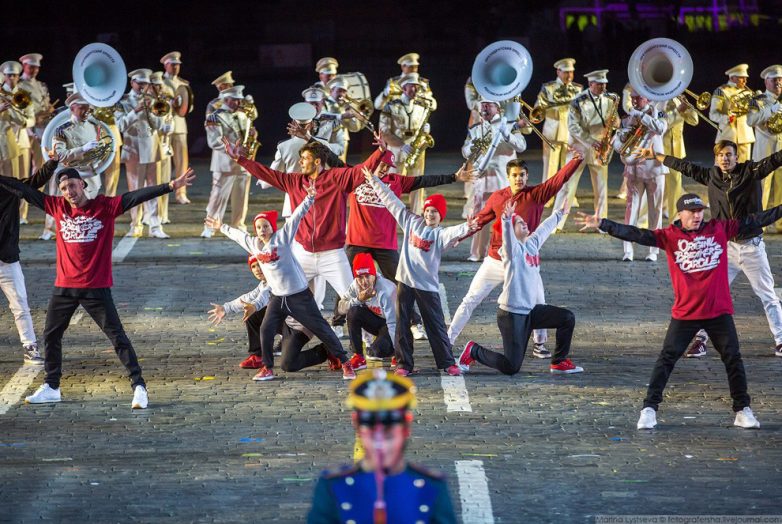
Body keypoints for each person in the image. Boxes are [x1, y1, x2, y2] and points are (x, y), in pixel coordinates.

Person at [576, 193, 782, 429]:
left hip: (718, 312)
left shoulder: (719, 228)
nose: (697, 216)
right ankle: (649, 409)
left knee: (733, 359)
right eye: (692, 212)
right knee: (666, 360)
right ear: (680, 214)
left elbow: (757, 219)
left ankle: (742, 410)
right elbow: (637, 234)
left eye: (700, 211)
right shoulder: (669, 236)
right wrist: (603, 224)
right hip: (686, 314)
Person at [0, 165, 195, 408]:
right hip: (64, 288)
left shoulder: (104, 207)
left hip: (96, 288)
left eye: (72, 185)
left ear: (82, 184)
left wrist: (170, 186)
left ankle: (139, 387)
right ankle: (52, 386)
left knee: (117, 338)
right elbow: (22, 190)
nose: (69, 192)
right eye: (63, 188)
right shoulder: (57, 206)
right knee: (51, 335)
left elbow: (135, 196)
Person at [222, 131, 387, 345]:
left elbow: (361, 170)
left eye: (305, 159)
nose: (300, 163)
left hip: (332, 255)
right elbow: (266, 174)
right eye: (300, 159)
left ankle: (368, 338)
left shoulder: (337, 178)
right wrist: (240, 159)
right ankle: (286, 338)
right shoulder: (294, 182)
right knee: (282, 294)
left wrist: (381, 151)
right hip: (303, 254)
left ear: (318, 161)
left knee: (353, 298)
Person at [642, 141, 782, 358]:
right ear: (716, 158)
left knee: (768, 295)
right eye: (720, 155)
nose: (724, 159)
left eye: (728, 155)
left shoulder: (751, 172)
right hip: (724, 249)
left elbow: (775, 160)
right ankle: (700, 340)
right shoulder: (712, 176)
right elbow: (685, 167)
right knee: (707, 295)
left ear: (737, 156)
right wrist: (658, 156)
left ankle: (781, 340)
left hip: (751, 246)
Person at [207, 192, 356, 381]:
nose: (262, 230)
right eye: (258, 227)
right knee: (266, 328)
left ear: (272, 228)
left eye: (265, 226)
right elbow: (239, 236)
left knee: (321, 328)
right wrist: (221, 227)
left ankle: (345, 363)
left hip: (299, 296)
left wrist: (309, 198)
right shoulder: (255, 245)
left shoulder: (282, 239)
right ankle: (267, 367)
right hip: (278, 298)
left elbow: (296, 218)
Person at [447, 155, 584, 354]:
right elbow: (480, 219)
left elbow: (558, 180)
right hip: (495, 261)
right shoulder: (498, 197)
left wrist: (574, 161)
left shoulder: (536, 195)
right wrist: (459, 235)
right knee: (470, 299)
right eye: (514, 175)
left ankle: (539, 344)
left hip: (523, 264)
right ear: (508, 176)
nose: (518, 178)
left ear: (527, 176)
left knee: (538, 302)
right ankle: (447, 340)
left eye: (522, 175)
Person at [346, 150, 475, 340]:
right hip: (357, 241)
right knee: (347, 282)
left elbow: (423, 181)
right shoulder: (356, 176)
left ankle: (415, 322)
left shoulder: (396, 181)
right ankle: (339, 322)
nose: (383, 169)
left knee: (400, 283)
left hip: (384, 243)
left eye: (387, 166)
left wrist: (454, 177)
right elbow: (332, 161)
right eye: (380, 164)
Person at [364, 167, 479, 376]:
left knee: (435, 325)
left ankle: (446, 362)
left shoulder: (440, 234)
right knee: (401, 325)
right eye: (427, 210)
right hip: (405, 282)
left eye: (434, 211)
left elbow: (455, 231)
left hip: (426, 286)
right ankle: (403, 364)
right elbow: (391, 201)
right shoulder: (410, 221)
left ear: (440, 216)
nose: (429, 214)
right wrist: (374, 182)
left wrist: (468, 227)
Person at [308, 369, 456, 523]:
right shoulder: (333, 486)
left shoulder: (432, 486)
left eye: (389, 434)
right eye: (371, 432)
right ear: (357, 426)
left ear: (406, 427)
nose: (381, 445)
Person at [458, 201, 583, 376]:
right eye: (519, 223)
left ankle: (559, 362)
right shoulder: (511, 250)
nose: (524, 223)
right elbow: (507, 238)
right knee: (511, 367)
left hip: (531, 312)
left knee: (567, 318)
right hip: (512, 315)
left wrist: (560, 213)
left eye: (524, 222)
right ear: (512, 230)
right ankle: (473, 351)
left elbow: (543, 229)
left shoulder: (532, 245)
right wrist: (507, 219)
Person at [207, 253, 335, 380]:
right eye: (253, 266)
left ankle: (325, 350)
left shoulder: (277, 279)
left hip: (299, 326)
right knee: (253, 314)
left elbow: (263, 296)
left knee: (289, 365)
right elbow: (249, 297)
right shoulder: (263, 283)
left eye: (259, 265)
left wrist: (255, 306)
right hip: (283, 320)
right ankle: (258, 355)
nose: (257, 269)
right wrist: (225, 308)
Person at [0, 154, 58, 365]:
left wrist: (53, 162)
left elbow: (34, 183)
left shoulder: (6, 185)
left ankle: (30, 346)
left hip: (6, 259)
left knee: (20, 304)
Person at [461, 98, 528, 261]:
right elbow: (464, 150)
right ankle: (478, 253)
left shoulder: (509, 125)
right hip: (482, 179)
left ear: (497, 108)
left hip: (503, 180)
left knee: (504, 218)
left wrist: (507, 135)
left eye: (488, 105)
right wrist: (472, 147)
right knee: (480, 216)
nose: (484, 107)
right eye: (482, 105)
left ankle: (508, 251)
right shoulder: (476, 128)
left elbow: (521, 146)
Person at [553, 69, 618, 231]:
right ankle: (555, 223)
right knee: (567, 185)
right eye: (600, 84)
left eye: (605, 84)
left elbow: (614, 120)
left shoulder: (610, 99)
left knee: (602, 188)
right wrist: (590, 141)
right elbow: (573, 126)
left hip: (600, 147)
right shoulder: (578, 100)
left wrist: (615, 125)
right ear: (591, 84)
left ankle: (601, 223)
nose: (603, 88)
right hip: (579, 146)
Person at [611, 86, 668, 261]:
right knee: (631, 210)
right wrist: (619, 146)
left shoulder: (658, 113)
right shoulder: (628, 118)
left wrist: (642, 116)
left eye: (638, 98)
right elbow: (620, 140)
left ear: (648, 99)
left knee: (655, 211)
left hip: (654, 168)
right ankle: (628, 250)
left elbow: (660, 129)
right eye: (633, 98)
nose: (634, 101)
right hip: (634, 170)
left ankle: (653, 250)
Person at [114, 68, 169, 238]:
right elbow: (120, 126)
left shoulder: (154, 100)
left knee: (154, 188)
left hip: (151, 148)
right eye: (140, 83)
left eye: (146, 84)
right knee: (135, 190)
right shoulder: (122, 101)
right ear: (132, 83)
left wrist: (150, 112)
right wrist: (136, 111)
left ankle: (155, 225)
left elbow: (159, 126)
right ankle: (135, 224)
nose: (143, 87)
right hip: (133, 149)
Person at [201, 85, 254, 238]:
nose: (238, 103)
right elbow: (214, 140)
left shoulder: (243, 115)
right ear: (226, 99)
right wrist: (232, 148)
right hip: (224, 162)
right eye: (235, 100)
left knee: (241, 196)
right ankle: (210, 226)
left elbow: (246, 136)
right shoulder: (214, 117)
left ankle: (238, 224)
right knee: (218, 196)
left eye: (239, 100)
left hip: (243, 162)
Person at [379, 73, 435, 214]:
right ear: (404, 88)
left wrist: (426, 131)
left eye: (417, 87)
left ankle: (416, 217)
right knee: (394, 185)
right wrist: (401, 145)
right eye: (412, 87)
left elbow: (420, 127)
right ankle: (391, 215)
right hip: (397, 152)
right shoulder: (390, 107)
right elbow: (384, 131)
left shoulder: (421, 106)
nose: (415, 90)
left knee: (417, 186)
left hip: (416, 151)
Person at [337, 253, 397, 370]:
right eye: (360, 277)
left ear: (374, 274)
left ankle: (394, 352)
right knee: (353, 311)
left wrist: (399, 354)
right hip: (378, 322)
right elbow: (340, 308)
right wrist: (359, 299)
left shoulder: (386, 290)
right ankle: (358, 356)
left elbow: (394, 323)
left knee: (377, 351)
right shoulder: (355, 285)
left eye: (367, 276)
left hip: (395, 324)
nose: (364, 282)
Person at [534, 58, 583, 190]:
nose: (569, 76)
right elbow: (539, 108)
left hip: (570, 132)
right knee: (550, 165)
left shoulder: (578, 88)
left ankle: (567, 197)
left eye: (571, 72)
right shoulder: (548, 88)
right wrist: (541, 112)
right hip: (553, 131)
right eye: (566, 72)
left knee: (568, 166)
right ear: (558, 72)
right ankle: (547, 195)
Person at [51, 93, 108, 198]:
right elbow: (59, 155)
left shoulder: (94, 126)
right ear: (72, 109)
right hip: (71, 177)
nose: (87, 111)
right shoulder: (62, 129)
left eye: (89, 108)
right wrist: (82, 149)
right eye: (82, 108)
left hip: (91, 176)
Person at [747, 64, 782, 230]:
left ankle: (780, 222)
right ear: (766, 82)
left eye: (780, 79)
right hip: (765, 149)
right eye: (775, 80)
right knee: (763, 187)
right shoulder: (758, 99)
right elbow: (750, 120)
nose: (778, 83)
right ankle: (760, 223)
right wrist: (772, 109)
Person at [0, 61, 35, 224]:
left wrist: (16, 116)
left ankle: (21, 214)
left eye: (14, 75)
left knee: (21, 178)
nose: (11, 78)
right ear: (4, 76)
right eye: (8, 75)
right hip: (4, 140)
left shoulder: (23, 94)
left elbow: (30, 119)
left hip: (21, 140)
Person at [659, 94, 699, 223]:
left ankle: (674, 220)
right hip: (659, 150)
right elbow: (661, 124)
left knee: (675, 186)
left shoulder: (677, 100)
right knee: (656, 186)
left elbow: (694, 121)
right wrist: (678, 110)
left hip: (676, 150)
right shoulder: (657, 100)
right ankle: (646, 221)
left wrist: (688, 107)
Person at [161, 51, 192, 204]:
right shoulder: (159, 82)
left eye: (177, 65)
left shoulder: (183, 83)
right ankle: (162, 192)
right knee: (163, 163)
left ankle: (181, 193)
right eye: (173, 64)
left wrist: (182, 105)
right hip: (164, 127)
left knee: (181, 162)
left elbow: (189, 106)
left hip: (179, 125)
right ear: (165, 65)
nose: (175, 67)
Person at [709, 64, 755, 162]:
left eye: (745, 78)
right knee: (724, 169)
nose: (745, 81)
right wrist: (726, 118)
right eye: (742, 78)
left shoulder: (748, 92)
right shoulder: (721, 91)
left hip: (745, 136)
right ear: (732, 77)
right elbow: (713, 114)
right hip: (727, 135)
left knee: (743, 170)